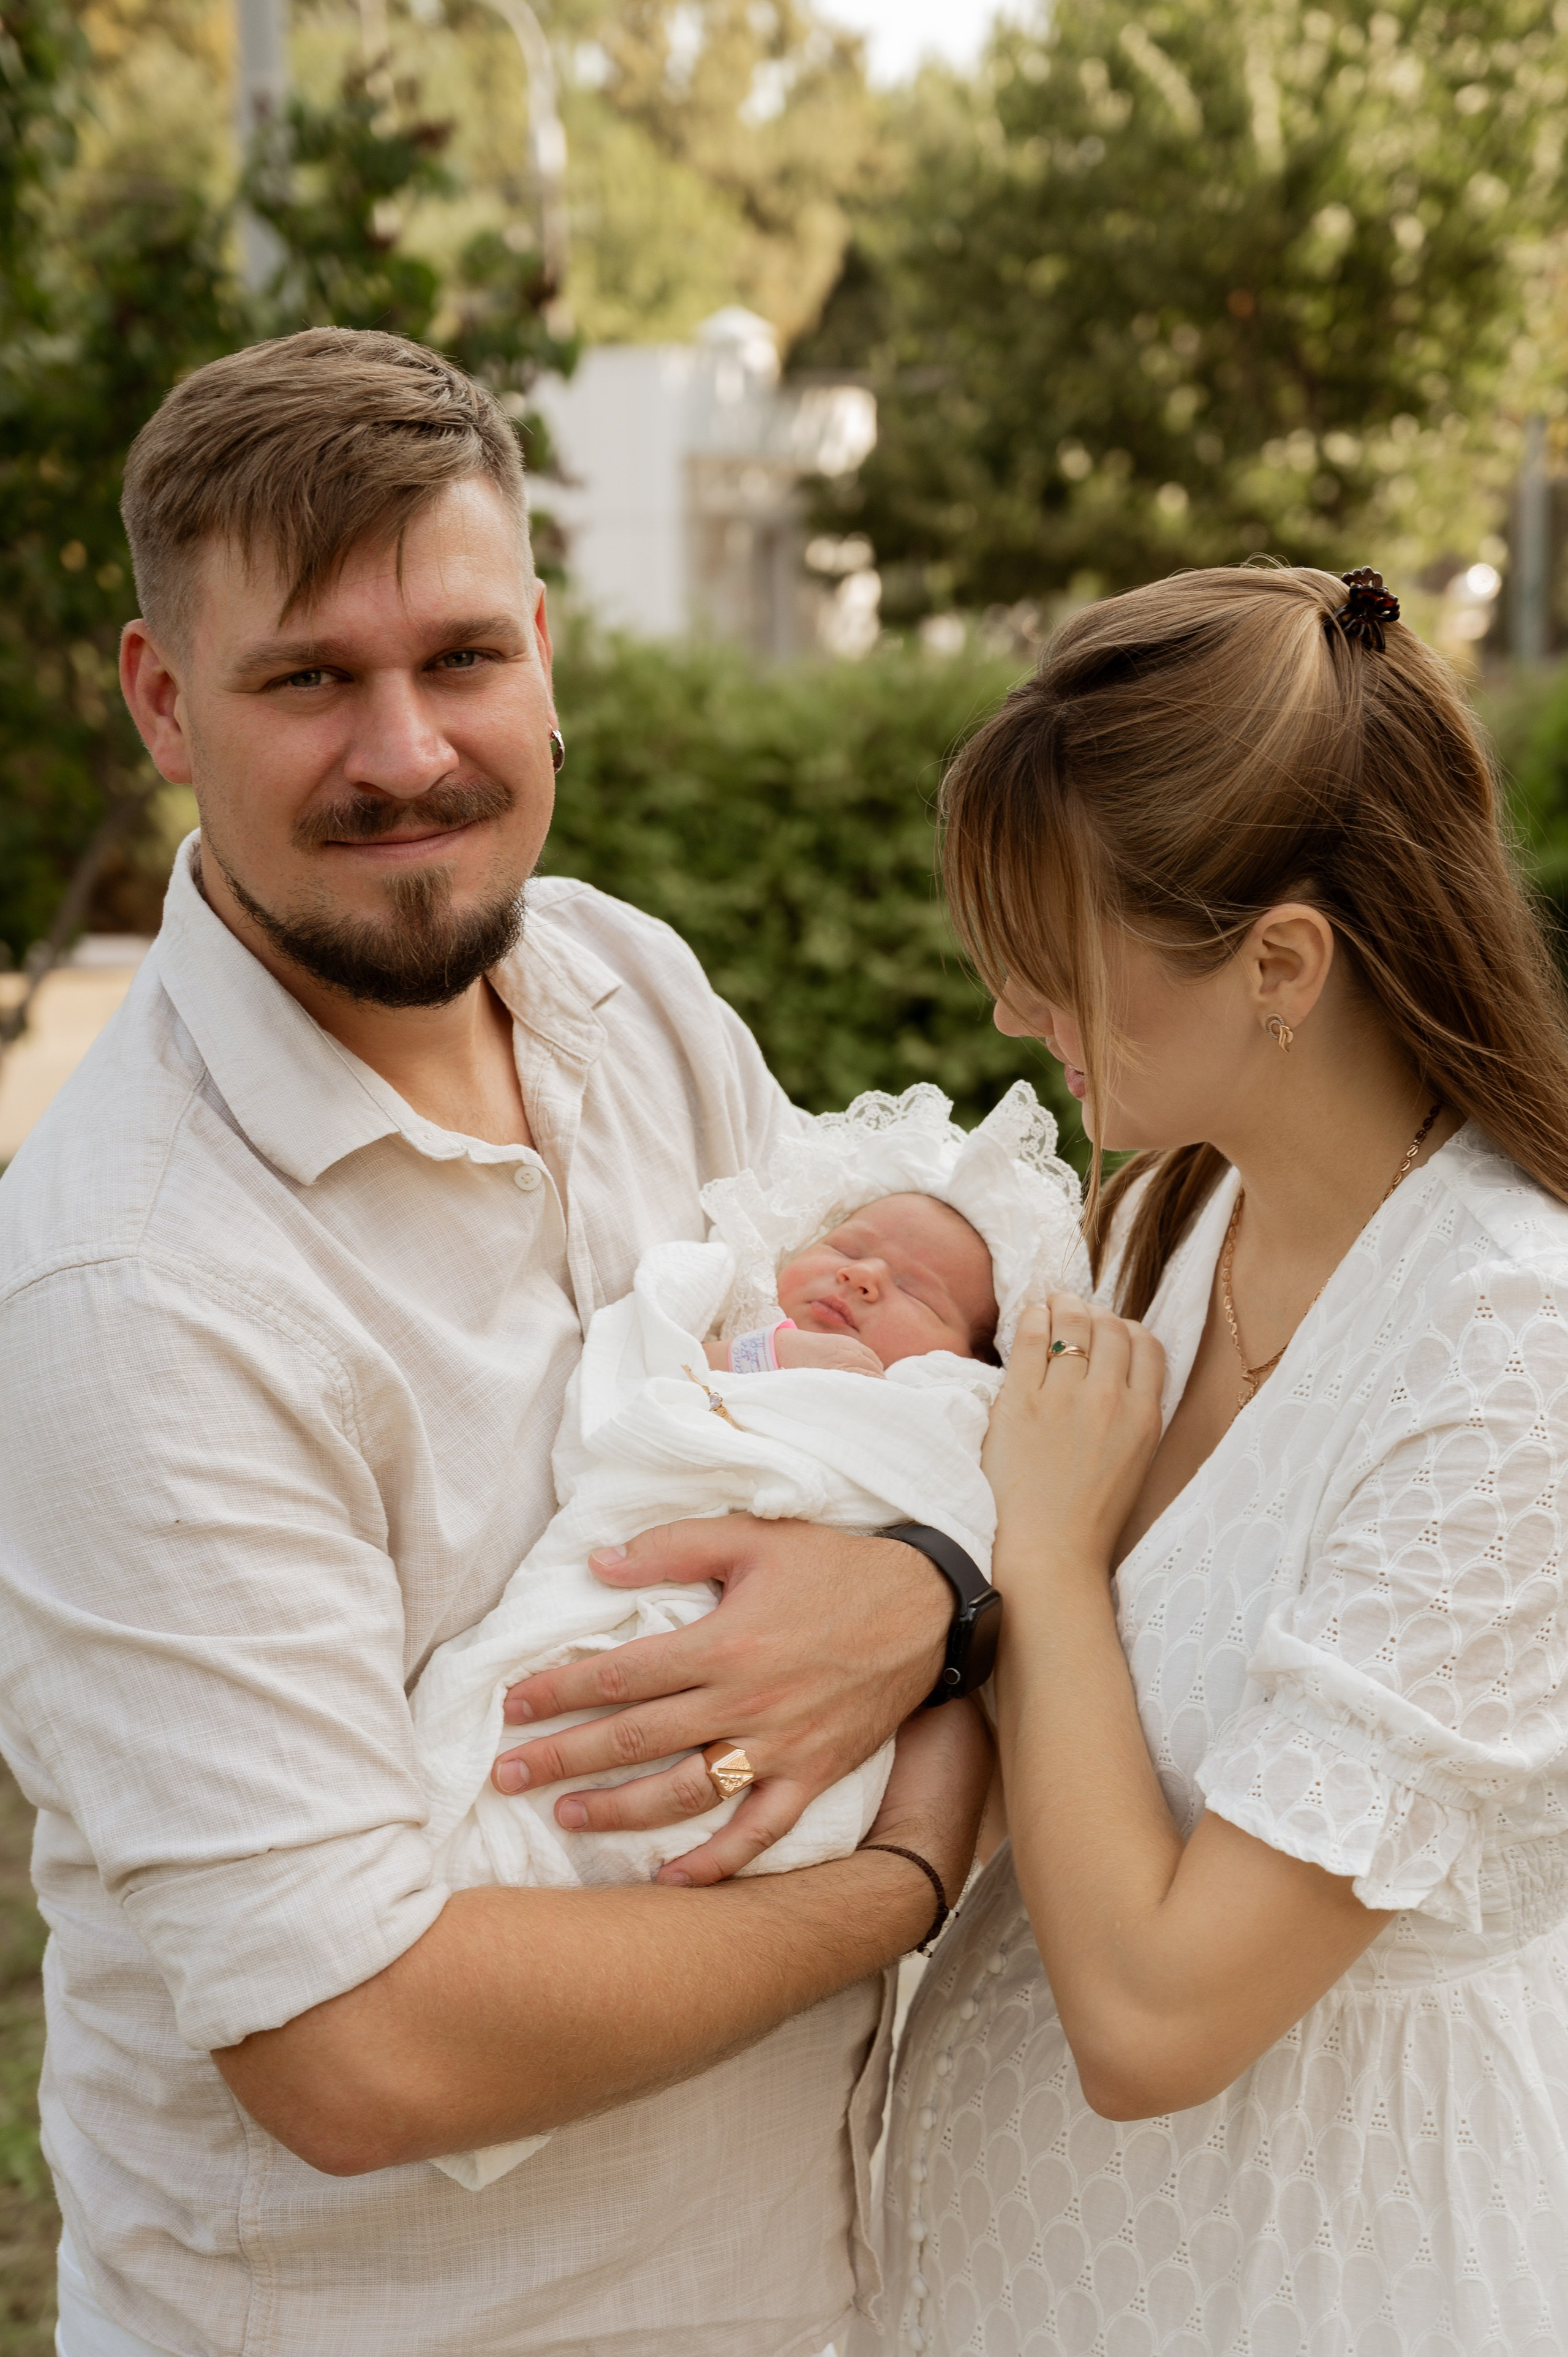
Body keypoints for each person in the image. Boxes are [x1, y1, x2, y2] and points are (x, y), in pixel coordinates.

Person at [0, 326, 993, 2357]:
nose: (406, 749)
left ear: (545, 641)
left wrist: (924, 1589)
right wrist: (902, 1868)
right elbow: (352, 2046)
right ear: (164, 698)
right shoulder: (128, 1287)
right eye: (307, 678)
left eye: (460, 657)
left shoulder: (624, 979)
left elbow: (880, 1401)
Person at [867, 563, 1568, 2354]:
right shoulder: (1174, 1217)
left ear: (1281, 965)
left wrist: (1043, 1550)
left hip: (1325, 2278)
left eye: (1058, 959)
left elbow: (1161, 2020)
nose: (1017, 1007)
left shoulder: (1511, 1351)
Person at [410, 1083, 1082, 2193]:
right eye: (852, 1247)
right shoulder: (726, 1317)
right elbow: (641, 1394)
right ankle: (491, 1937)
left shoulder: (933, 1404)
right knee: (539, 1734)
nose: (867, 1276)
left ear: (970, 1356)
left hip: (793, 1677)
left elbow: (960, 1499)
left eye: (917, 1291)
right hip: (637, 1572)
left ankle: (548, 1945)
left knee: (715, 1799)